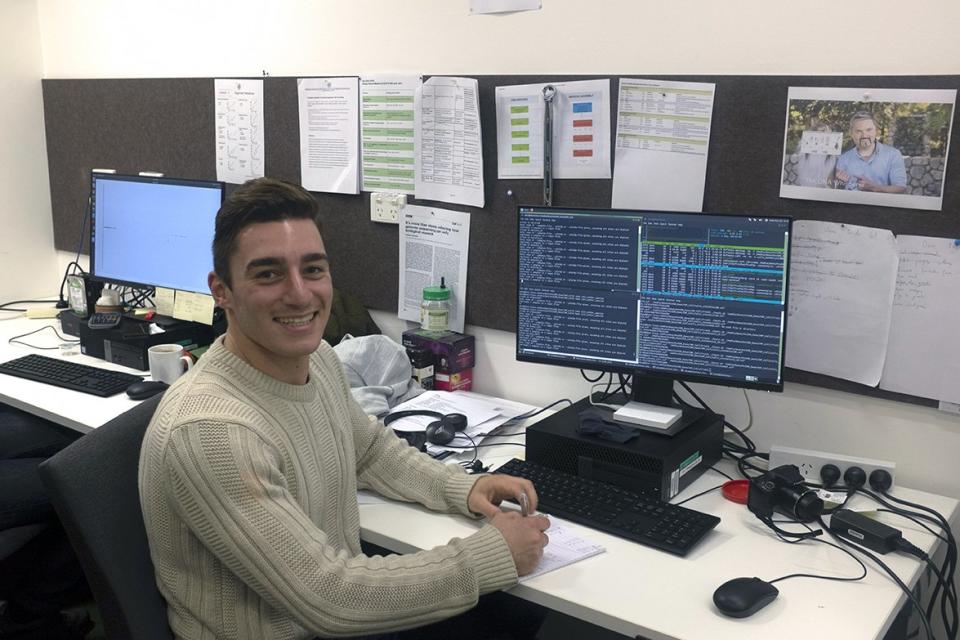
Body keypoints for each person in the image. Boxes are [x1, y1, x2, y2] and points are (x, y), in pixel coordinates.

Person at [138, 178, 551, 640]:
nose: (299, 294)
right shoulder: (212, 431)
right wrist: (490, 556)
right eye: (268, 274)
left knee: (524, 617)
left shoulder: (317, 360)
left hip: (323, 618)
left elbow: (370, 449)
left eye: (312, 269)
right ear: (222, 290)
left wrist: (462, 487)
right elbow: (330, 596)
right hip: (302, 624)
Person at [835, 111, 907, 193]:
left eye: (869, 130)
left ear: (876, 131)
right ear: (852, 134)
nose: (864, 135)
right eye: (858, 131)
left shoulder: (893, 155)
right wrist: (840, 184)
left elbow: (901, 188)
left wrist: (875, 188)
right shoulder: (843, 159)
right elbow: (838, 190)